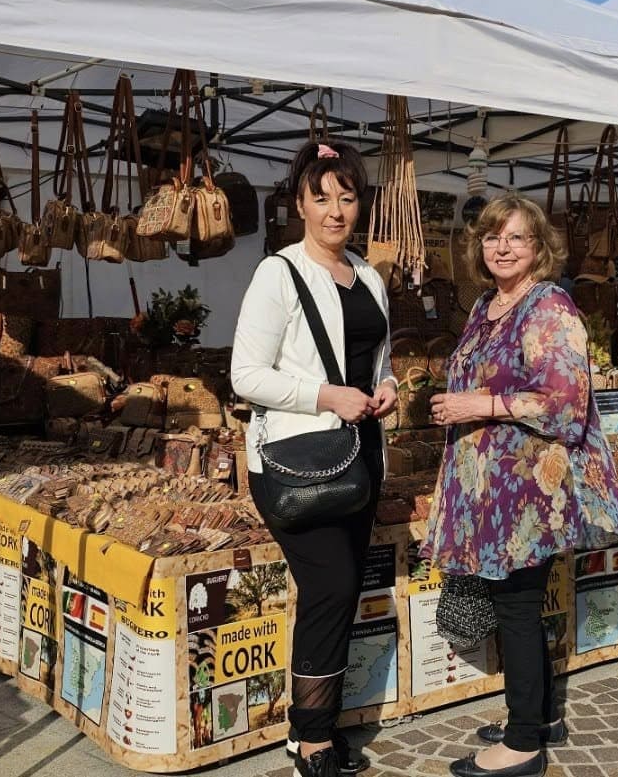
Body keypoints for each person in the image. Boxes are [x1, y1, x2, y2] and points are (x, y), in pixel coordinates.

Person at [425, 195, 618, 777]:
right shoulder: (486, 305)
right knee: (516, 606)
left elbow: (566, 403)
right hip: (491, 490)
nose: (503, 247)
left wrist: (478, 403)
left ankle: (522, 746)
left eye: (516, 237)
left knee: (515, 607)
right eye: (493, 237)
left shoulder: (549, 306)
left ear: (539, 247)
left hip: (528, 493)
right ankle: (539, 717)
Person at [231, 141, 397, 777]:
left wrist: (387, 386)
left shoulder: (369, 276)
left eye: (347, 198)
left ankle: (316, 724)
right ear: (298, 203)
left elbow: (378, 360)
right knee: (331, 587)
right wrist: (326, 395)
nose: (335, 211)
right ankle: (311, 739)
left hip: (361, 453)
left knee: (342, 590)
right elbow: (246, 374)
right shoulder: (279, 273)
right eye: (321, 197)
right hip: (300, 458)